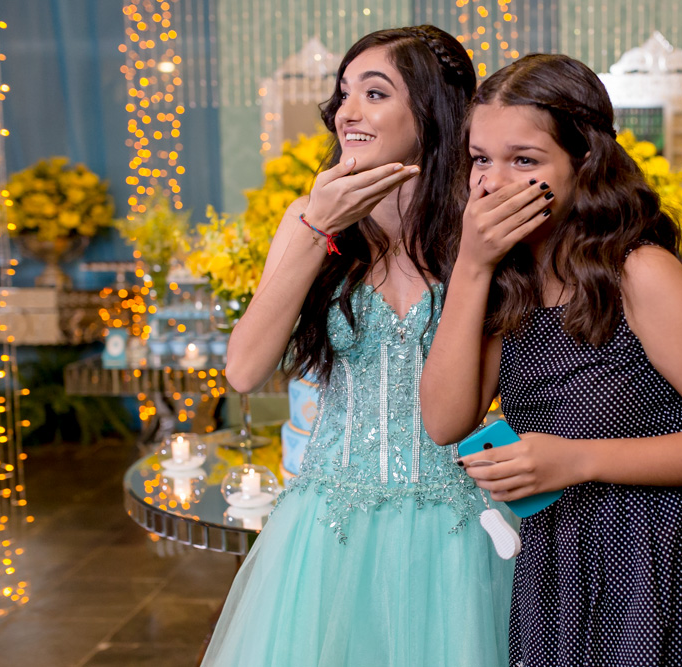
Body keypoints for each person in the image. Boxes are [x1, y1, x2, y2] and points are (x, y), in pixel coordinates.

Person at [420, 53, 682, 666]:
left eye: (523, 160)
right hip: (561, 557)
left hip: (666, 555)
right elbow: (444, 421)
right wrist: (473, 267)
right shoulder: (508, 280)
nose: (491, 182)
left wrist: (577, 459)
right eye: (480, 159)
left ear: (583, 164)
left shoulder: (639, 272)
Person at [202, 26, 513, 666]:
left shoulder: (479, 231)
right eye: (344, 94)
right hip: (327, 525)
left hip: (455, 528)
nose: (348, 112)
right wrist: (318, 228)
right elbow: (244, 368)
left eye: (375, 93)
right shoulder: (307, 218)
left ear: (431, 110)